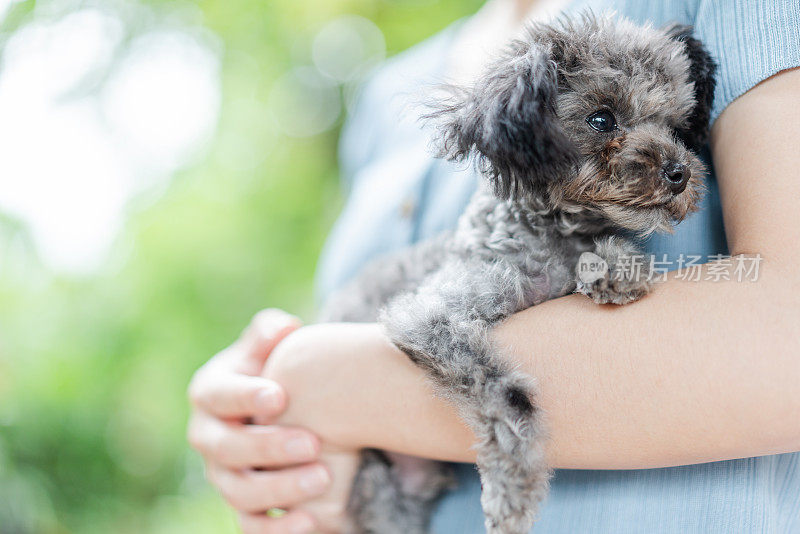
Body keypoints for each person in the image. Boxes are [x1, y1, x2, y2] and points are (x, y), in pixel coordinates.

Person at [187, 0, 800, 532]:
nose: (668, 157)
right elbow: (395, 328)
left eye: (671, 125)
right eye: (603, 122)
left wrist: (322, 383)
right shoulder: (383, 95)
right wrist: (264, 429)